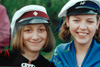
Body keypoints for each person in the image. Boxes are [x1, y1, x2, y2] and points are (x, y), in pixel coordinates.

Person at [50, 0, 100, 67]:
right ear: (67, 21)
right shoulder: (60, 53)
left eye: (90, 21)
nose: (83, 27)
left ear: (97, 23)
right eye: (76, 20)